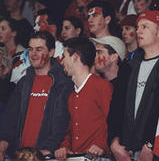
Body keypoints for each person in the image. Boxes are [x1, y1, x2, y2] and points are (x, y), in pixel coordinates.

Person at [109, 10, 159, 161]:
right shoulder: (128, 67)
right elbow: (115, 107)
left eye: (144, 27)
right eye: (137, 27)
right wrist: (113, 142)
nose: (138, 31)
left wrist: (152, 144)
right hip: (124, 151)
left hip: (158, 151)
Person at [0, 31, 73, 160]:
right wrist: (3, 144)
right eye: (31, 49)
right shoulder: (23, 83)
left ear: (51, 52)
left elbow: (62, 121)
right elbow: (11, 118)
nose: (33, 54)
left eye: (39, 49)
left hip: (46, 155)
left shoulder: (63, 83)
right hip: (21, 155)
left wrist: (48, 148)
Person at [54, 37, 113, 160]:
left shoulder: (102, 86)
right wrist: (64, 147)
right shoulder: (72, 95)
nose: (61, 62)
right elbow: (71, 129)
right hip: (77, 156)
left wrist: (102, 146)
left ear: (75, 57)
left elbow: (113, 121)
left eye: (64, 56)